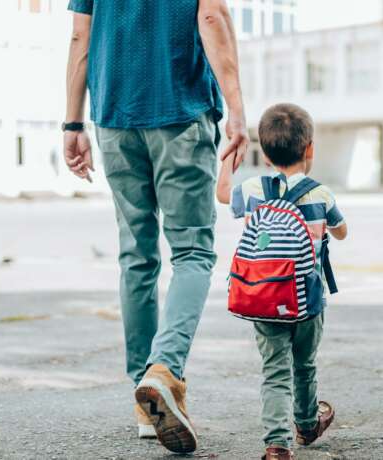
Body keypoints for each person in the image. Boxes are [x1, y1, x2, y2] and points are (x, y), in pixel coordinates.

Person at [62, 0, 248, 454]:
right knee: (192, 253)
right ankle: (163, 370)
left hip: (114, 117)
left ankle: (146, 405)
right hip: (177, 112)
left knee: (136, 258)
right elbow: (211, 17)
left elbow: (80, 39)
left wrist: (72, 122)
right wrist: (237, 109)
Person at [216, 103, 347, 460]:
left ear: (267, 153)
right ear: (310, 150)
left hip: (264, 295)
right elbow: (342, 232)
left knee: (275, 371)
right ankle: (306, 425)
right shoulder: (320, 194)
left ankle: (276, 443)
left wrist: (230, 155)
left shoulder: (254, 189)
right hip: (308, 299)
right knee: (304, 364)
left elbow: (223, 193)